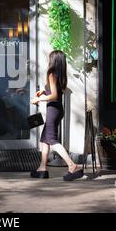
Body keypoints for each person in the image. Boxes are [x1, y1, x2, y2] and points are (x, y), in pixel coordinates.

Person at [30, 50, 83, 181]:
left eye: (50, 58)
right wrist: (44, 90)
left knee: (52, 140)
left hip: (53, 109)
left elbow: (54, 95)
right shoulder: (59, 74)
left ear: (53, 60)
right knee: (44, 139)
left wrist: (38, 99)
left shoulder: (52, 74)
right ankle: (42, 168)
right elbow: (55, 90)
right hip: (57, 109)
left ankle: (72, 165)